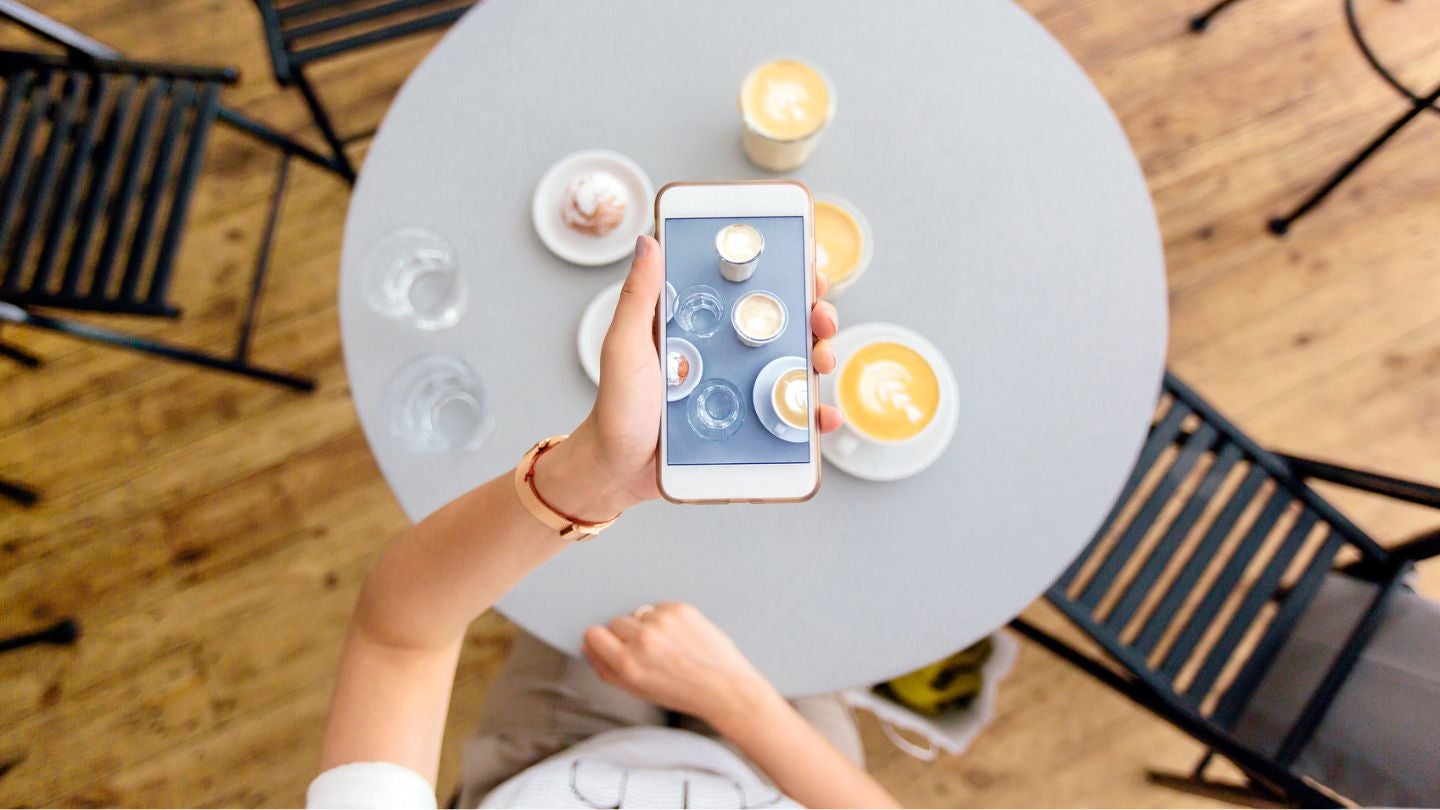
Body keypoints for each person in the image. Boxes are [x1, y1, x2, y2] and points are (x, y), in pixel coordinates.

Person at [308, 236, 900, 809]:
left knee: (582, 594)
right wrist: (739, 702)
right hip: (786, 768)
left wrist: (592, 475)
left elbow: (397, 638)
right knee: (800, 577)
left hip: (555, 754)